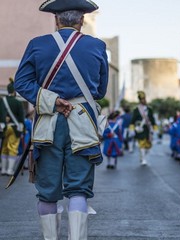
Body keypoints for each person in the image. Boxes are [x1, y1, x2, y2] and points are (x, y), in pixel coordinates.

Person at [14, 0, 109, 239]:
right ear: (82, 20)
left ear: (55, 20)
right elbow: (99, 91)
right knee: (78, 189)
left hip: (48, 123)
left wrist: (52, 100)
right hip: (83, 122)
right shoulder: (97, 46)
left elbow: (22, 83)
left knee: (47, 191)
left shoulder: (37, 45)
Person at [0, 78, 24, 176]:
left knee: (4, 148)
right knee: (13, 148)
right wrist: (22, 130)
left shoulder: (2, 101)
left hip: (4, 127)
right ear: (14, 91)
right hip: (14, 128)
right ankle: (10, 170)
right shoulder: (18, 102)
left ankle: (3, 169)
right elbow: (21, 118)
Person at [129, 91, 157, 166]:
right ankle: (143, 159)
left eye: (144, 98)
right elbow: (133, 120)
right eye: (142, 99)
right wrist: (132, 129)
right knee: (141, 144)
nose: (143, 100)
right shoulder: (136, 110)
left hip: (148, 129)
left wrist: (155, 128)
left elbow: (152, 119)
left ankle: (143, 156)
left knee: (148, 146)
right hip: (140, 130)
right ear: (140, 100)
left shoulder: (149, 109)